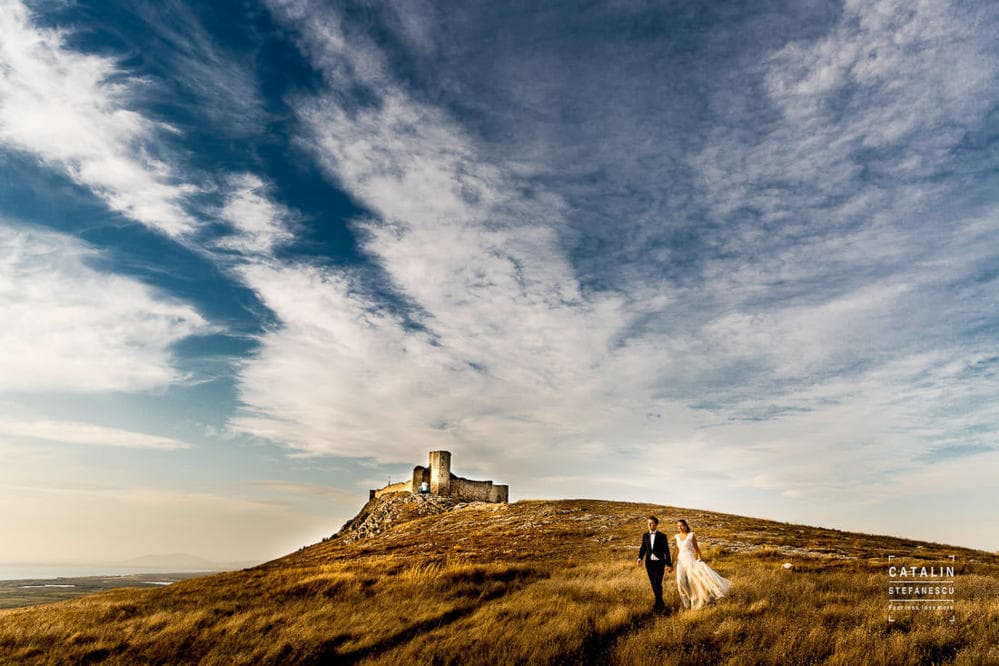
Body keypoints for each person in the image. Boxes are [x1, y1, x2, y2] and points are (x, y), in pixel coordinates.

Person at [672, 518, 731, 610]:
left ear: (686, 525)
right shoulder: (677, 536)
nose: (680, 527)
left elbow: (697, 550)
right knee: (680, 582)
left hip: (690, 560)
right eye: (678, 526)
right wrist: (672, 563)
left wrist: (699, 559)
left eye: (682, 525)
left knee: (693, 582)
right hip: (680, 562)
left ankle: (695, 603)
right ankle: (686, 604)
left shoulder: (691, 535)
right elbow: (676, 551)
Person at [636, 515, 673, 611]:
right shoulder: (645, 535)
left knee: (657, 583)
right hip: (649, 563)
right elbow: (643, 548)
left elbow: (666, 551)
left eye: (651, 523)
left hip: (660, 563)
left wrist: (669, 564)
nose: (649, 525)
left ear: (656, 525)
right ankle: (660, 604)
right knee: (653, 584)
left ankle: (659, 604)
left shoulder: (662, 536)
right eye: (648, 523)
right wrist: (639, 558)